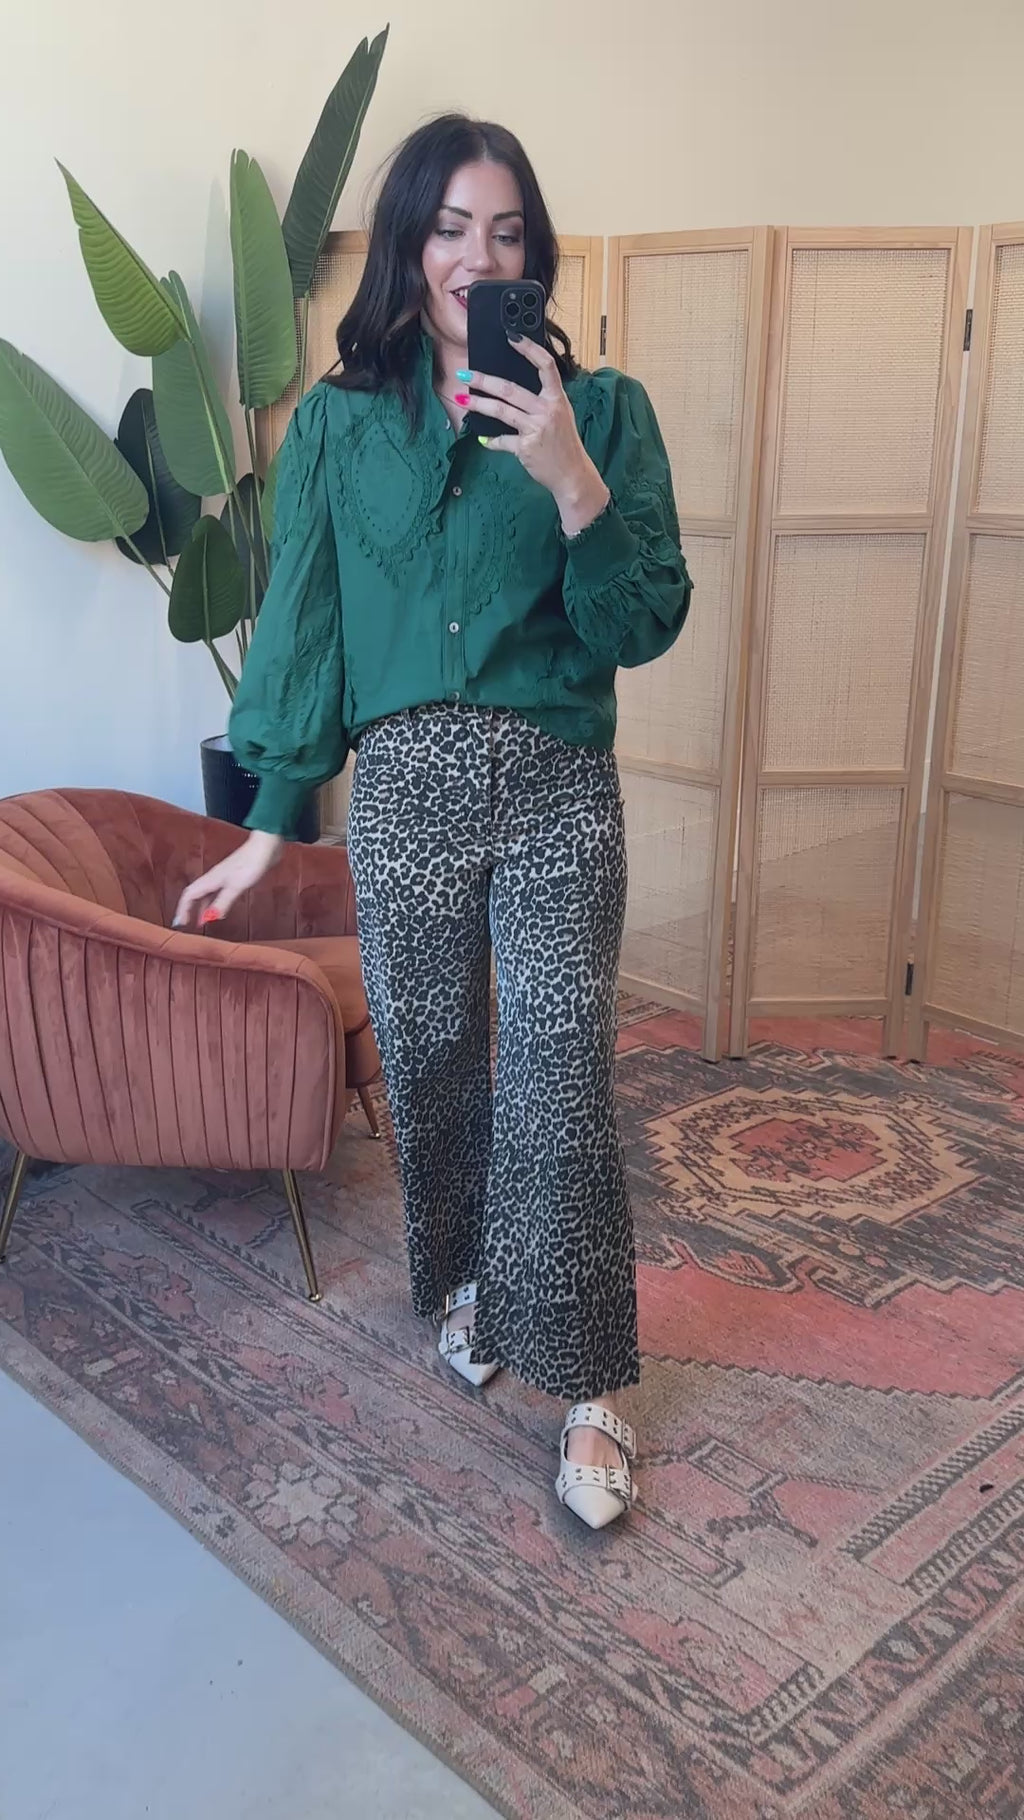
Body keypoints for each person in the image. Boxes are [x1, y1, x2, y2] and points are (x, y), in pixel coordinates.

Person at [174, 114, 692, 1531]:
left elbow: (641, 622)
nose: (479, 256)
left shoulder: (607, 413)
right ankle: (468, 1283)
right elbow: (307, 629)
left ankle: (592, 1386)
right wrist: (267, 827)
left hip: (556, 789)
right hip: (404, 795)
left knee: (560, 1080)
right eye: (453, 227)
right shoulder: (340, 427)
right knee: (434, 1065)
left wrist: (570, 476)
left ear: (536, 254)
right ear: (410, 243)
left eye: (507, 231)